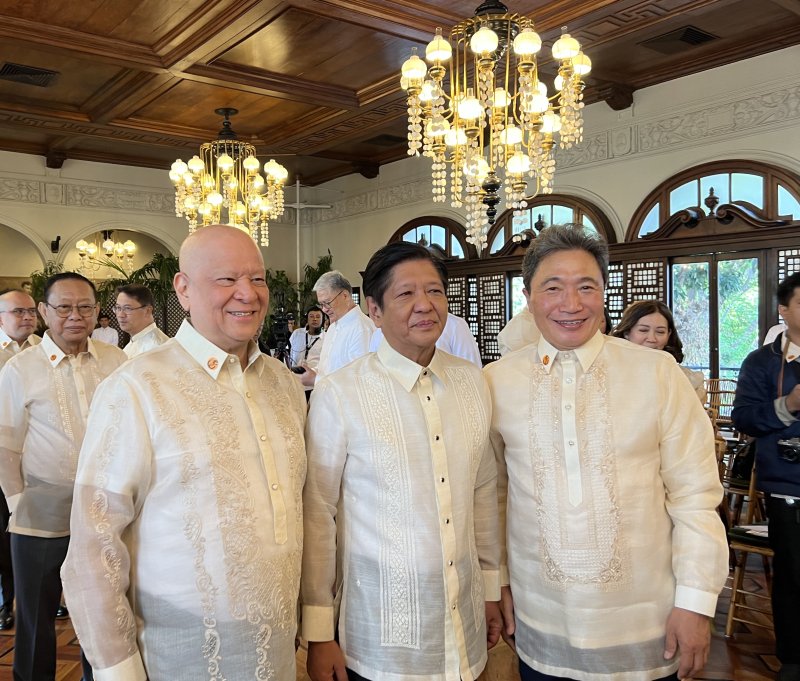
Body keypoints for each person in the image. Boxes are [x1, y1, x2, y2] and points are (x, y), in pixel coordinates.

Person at [61, 225, 307, 680]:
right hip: (179, 657)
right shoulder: (137, 386)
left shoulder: (283, 384)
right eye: (226, 280)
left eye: (257, 279)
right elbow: (94, 547)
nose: (247, 295)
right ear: (183, 289)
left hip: (276, 651)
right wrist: (118, 670)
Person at [484, 225, 728, 681]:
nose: (570, 304)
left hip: (647, 626)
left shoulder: (657, 373)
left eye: (586, 287)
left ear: (604, 291)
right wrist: (496, 580)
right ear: (528, 294)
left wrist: (696, 602)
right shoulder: (497, 381)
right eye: (552, 288)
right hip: (541, 624)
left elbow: (695, 497)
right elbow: (494, 495)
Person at [302, 242, 501, 681]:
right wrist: (319, 632)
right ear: (374, 310)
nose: (424, 306)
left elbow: (484, 489)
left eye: (434, 291)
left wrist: (490, 588)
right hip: (381, 638)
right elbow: (319, 512)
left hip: (466, 625)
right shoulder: (341, 392)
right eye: (406, 294)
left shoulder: (471, 381)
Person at [0, 272, 126, 681]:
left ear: (96, 311)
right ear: (44, 312)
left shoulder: (116, 362)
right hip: (40, 514)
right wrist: (21, 507)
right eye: (64, 307)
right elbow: (6, 447)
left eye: (85, 307)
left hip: (106, 510)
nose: (76, 316)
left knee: (103, 612)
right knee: (36, 616)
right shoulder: (20, 370)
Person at [732, 271, 800, 681]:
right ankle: (793, 658)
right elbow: (744, 418)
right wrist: (788, 404)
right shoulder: (762, 362)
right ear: (784, 310)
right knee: (793, 576)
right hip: (788, 486)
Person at [0, 288, 42, 631]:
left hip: (34, 460)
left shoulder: (44, 351)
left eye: (31, 311)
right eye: (18, 312)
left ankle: (43, 598)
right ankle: (6, 601)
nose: (27, 317)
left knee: (32, 535)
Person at [611, 299, 707, 402]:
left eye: (660, 332)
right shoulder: (608, 371)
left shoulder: (686, 379)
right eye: (643, 330)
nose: (652, 339)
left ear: (668, 334)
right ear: (627, 333)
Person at [299, 270, 374, 387]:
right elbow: (327, 367)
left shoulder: (362, 329)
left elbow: (359, 380)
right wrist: (313, 371)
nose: (324, 309)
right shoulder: (333, 327)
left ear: (345, 296)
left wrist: (316, 380)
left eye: (327, 303)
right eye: (321, 304)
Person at [369, 311, 482, 366]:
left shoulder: (455, 325)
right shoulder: (379, 332)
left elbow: (472, 370)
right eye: (407, 293)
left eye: (433, 290)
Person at [114, 283, 169, 357]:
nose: (120, 315)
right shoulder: (135, 340)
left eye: (128, 308)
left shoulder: (156, 348)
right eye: (118, 308)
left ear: (147, 311)